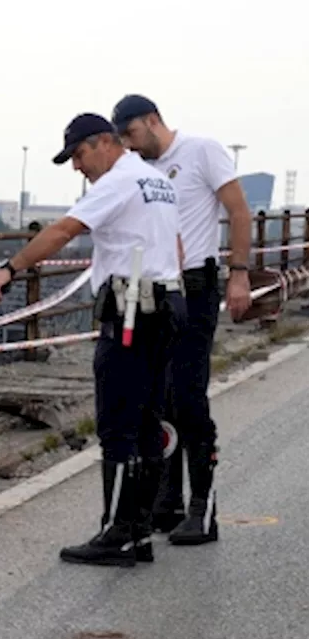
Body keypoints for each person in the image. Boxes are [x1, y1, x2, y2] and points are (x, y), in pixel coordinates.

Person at [0, 113, 186, 567]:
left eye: (79, 155)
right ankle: (139, 531)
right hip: (164, 306)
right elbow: (176, 245)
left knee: (118, 423)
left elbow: (64, 230)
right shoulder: (155, 180)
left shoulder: (118, 180)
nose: (77, 167)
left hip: (132, 310)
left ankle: (120, 533)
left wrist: (10, 269)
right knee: (147, 420)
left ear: (105, 142)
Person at [113, 94, 252, 546]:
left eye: (132, 135)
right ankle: (167, 501)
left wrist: (239, 275)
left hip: (197, 284)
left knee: (189, 397)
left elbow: (238, 211)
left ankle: (203, 507)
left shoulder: (201, 150)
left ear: (152, 121)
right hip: (159, 287)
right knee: (160, 396)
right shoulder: (139, 169)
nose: (131, 147)